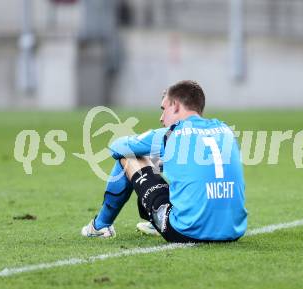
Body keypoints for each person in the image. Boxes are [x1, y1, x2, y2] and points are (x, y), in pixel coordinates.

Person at [81, 80, 247, 242]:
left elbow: (117, 147)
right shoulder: (225, 130)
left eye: (164, 109)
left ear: (175, 105)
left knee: (129, 157)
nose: (161, 118)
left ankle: (100, 226)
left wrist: (147, 153)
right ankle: (154, 223)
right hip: (233, 230)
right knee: (167, 163)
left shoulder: (171, 134)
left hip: (187, 231)